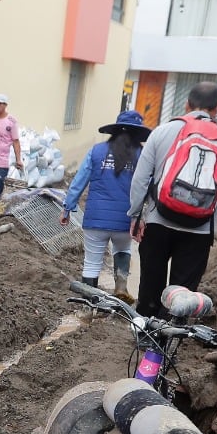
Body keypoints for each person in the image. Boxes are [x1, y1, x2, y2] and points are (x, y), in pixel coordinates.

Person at [127, 81, 217, 317]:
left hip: (157, 220)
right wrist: (206, 192)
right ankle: (166, 341)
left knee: (151, 282)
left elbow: (140, 180)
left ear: (187, 104)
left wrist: (135, 215)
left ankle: (145, 337)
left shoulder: (162, 131)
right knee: (183, 292)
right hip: (200, 228)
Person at [61, 110, 150, 301]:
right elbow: (147, 187)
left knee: (92, 262)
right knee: (123, 249)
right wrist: (143, 216)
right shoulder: (142, 155)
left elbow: (79, 181)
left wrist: (68, 207)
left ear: (115, 131)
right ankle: (120, 287)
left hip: (95, 219)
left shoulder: (96, 151)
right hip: (125, 220)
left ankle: (88, 304)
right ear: (138, 134)